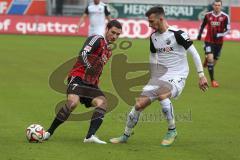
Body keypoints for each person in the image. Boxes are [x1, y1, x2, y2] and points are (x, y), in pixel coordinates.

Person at [109, 6, 208, 147]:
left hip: (177, 76)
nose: (149, 25)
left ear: (160, 19)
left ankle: (172, 130)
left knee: (162, 94)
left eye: (151, 21)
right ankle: (125, 135)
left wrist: (201, 75)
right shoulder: (154, 37)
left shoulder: (177, 34)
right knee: (138, 105)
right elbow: (152, 56)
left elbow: (194, 53)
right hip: (159, 77)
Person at [43, 20, 122, 144]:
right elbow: (83, 53)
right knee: (73, 103)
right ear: (106, 29)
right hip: (78, 77)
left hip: (91, 83)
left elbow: (98, 69)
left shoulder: (109, 51)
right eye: (113, 32)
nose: (115, 36)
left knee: (103, 103)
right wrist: (89, 66)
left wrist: (95, 80)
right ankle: (48, 132)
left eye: (118, 34)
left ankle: (90, 137)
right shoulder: (97, 39)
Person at [197, 0, 230, 87]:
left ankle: (206, 59)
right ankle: (213, 81)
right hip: (208, 40)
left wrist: (220, 34)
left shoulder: (225, 17)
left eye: (219, 5)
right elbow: (202, 25)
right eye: (215, 5)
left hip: (219, 43)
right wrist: (200, 34)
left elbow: (228, 30)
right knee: (211, 59)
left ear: (221, 6)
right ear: (213, 6)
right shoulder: (208, 15)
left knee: (213, 61)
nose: (217, 7)